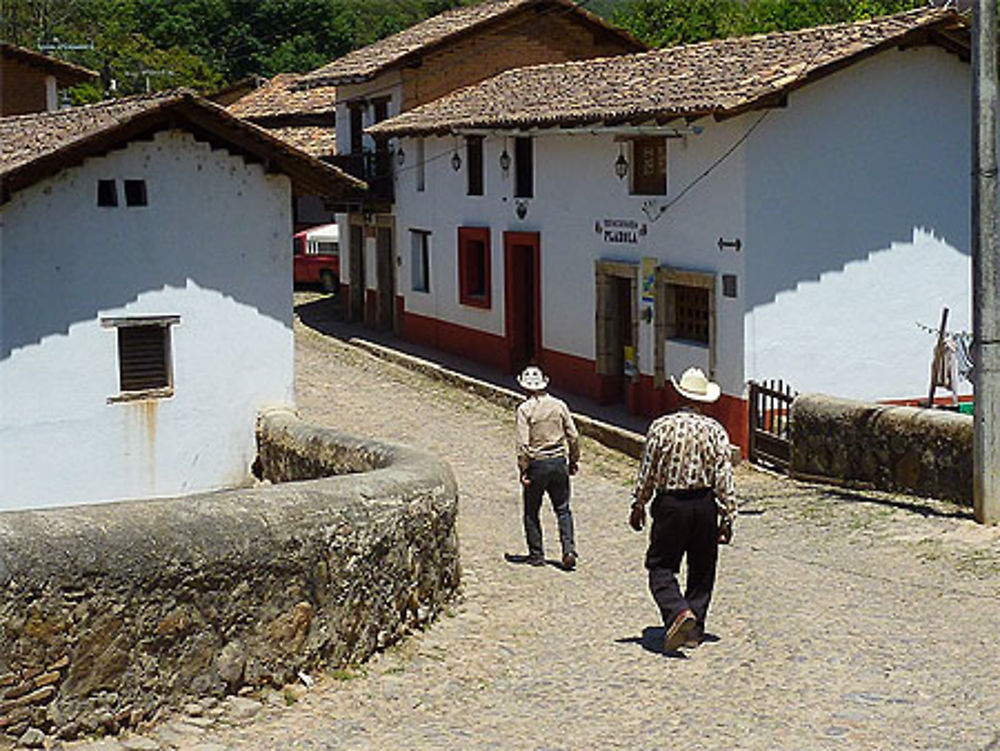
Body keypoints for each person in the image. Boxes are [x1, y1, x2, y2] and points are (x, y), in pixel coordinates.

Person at [628, 367, 736, 652]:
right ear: (704, 400)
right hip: (704, 505)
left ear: (679, 394)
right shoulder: (715, 431)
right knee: (702, 568)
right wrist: (728, 515)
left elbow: (647, 469)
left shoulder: (661, 427)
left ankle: (678, 612)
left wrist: (639, 503)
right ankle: (694, 629)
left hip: (671, 505)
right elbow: (724, 476)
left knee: (660, 566)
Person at [515, 365, 580, 570]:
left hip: (537, 463)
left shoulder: (525, 410)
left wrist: (523, 470)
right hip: (559, 461)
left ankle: (537, 555)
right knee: (563, 509)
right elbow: (574, 435)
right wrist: (573, 460)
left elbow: (523, 445)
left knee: (531, 511)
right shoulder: (559, 405)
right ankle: (568, 549)